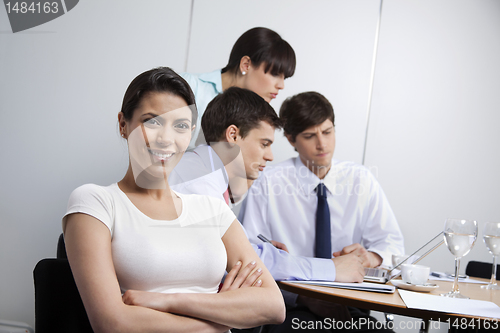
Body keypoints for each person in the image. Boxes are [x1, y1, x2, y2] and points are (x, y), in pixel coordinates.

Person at [62, 67, 285, 333]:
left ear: (190, 133)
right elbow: (113, 324)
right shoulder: (96, 203)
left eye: (179, 126)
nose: (166, 138)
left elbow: (273, 306)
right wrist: (224, 314)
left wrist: (168, 301)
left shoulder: (212, 209)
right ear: (123, 125)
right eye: (152, 121)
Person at [239, 91, 405, 332]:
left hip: (348, 304)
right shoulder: (267, 182)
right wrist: (301, 297)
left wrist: (371, 258)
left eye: (327, 132)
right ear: (290, 139)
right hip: (290, 306)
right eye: (309, 136)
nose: (322, 144)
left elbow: (394, 248)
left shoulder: (361, 179)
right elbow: (248, 259)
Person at [170, 87, 365, 282]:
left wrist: (255, 246)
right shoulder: (199, 186)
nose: (270, 156)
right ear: (233, 136)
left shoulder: (204, 173)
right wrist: (331, 269)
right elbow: (247, 262)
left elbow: (232, 249)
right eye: (264, 144)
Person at [180, 27, 296, 148]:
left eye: (284, 78)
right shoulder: (190, 87)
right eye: (275, 74)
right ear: (246, 65)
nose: (281, 86)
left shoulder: (255, 115)